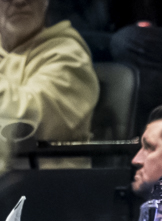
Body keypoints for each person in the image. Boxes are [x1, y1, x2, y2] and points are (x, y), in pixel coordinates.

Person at [0, 0, 98, 151]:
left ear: (46, 2)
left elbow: (25, 122)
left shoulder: (70, 56)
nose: (19, 1)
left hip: (38, 165)